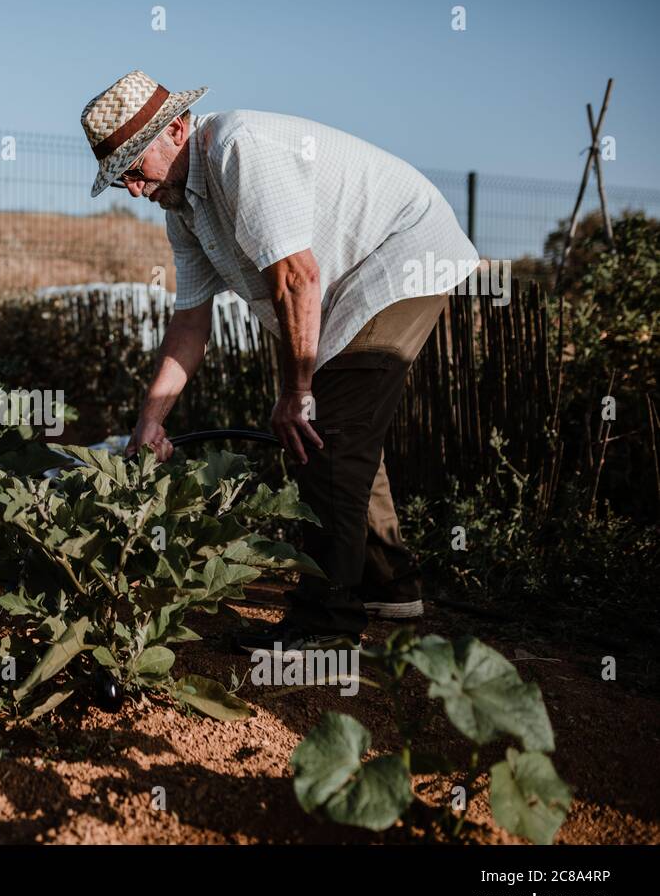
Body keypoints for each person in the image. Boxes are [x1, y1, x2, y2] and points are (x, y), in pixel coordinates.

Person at [79, 70, 478, 653]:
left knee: (325, 429)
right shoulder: (183, 210)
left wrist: (297, 393)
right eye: (122, 180)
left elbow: (297, 276)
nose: (135, 190)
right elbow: (190, 324)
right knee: (340, 426)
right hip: (348, 281)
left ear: (178, 129)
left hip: (404, 252)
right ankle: (391, 584)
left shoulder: (240, 149)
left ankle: (326, 625)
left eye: (136, 168)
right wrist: (151, 419)